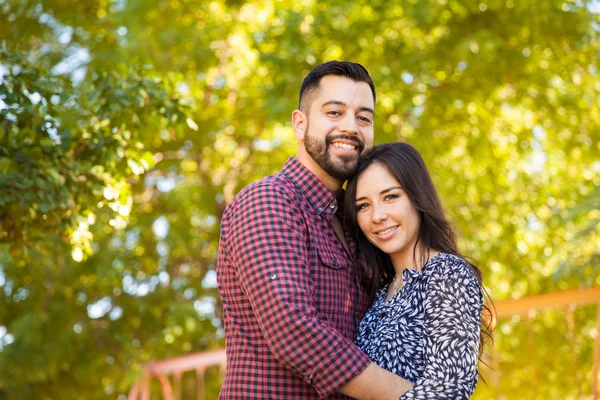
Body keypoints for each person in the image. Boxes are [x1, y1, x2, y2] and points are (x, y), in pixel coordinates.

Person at [216, 61, 413, 399]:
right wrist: (415, 395)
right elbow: (293, 329)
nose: (351, 127)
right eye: (334, 113)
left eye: (364, 118)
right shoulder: (268, 200)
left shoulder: (357, 225)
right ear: (300, 123)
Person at [345, 142, 491, 399]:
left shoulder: (447, 274)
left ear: (417, 197)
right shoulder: (380, 292)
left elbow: (449, 390)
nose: (377, 215)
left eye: (390, 197)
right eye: (363, 205)